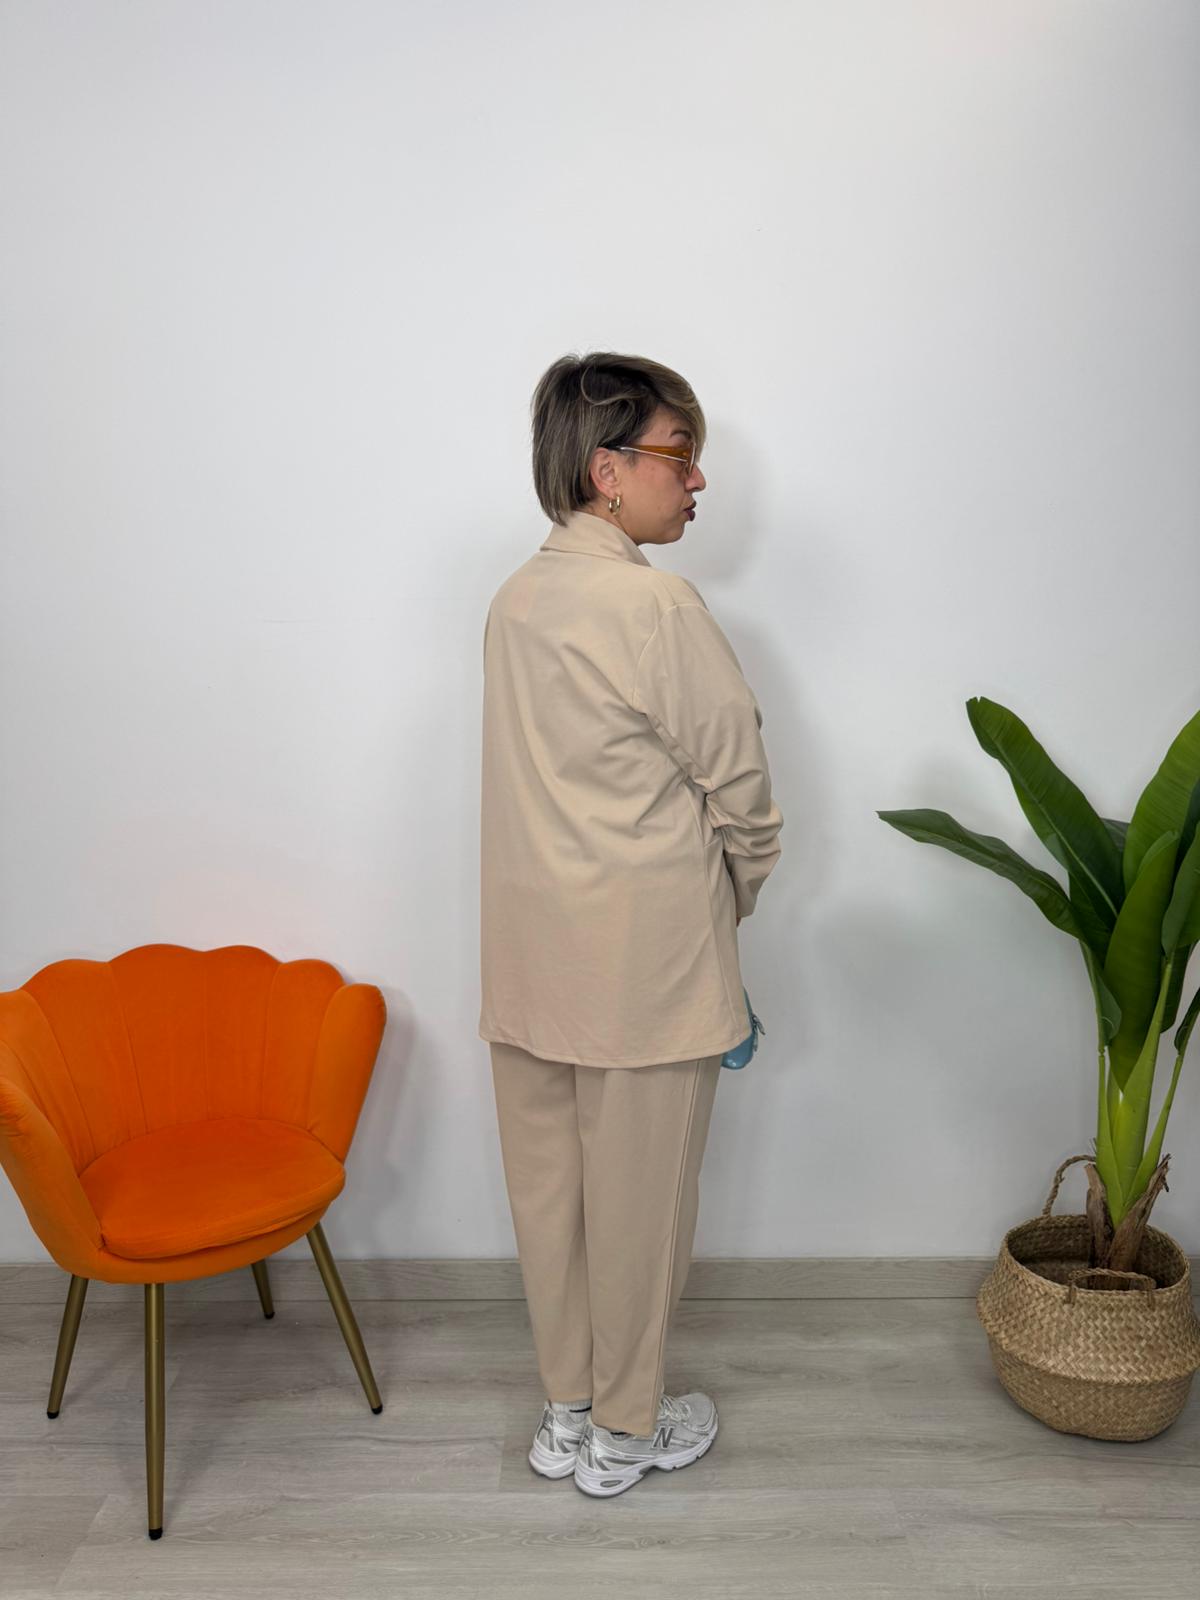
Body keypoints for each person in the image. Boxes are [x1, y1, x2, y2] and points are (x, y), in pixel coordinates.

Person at [478, 352, 783, 1497]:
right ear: (606, 470)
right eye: (678, 456)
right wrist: (732, 901)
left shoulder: (515, 599)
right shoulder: (655, 605)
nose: (696, 480)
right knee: (640, 1209)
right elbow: (743, 791)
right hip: (646, 960)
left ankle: (567, 1411)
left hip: (528, 957)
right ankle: (625, 1432)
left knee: (550, 1200)